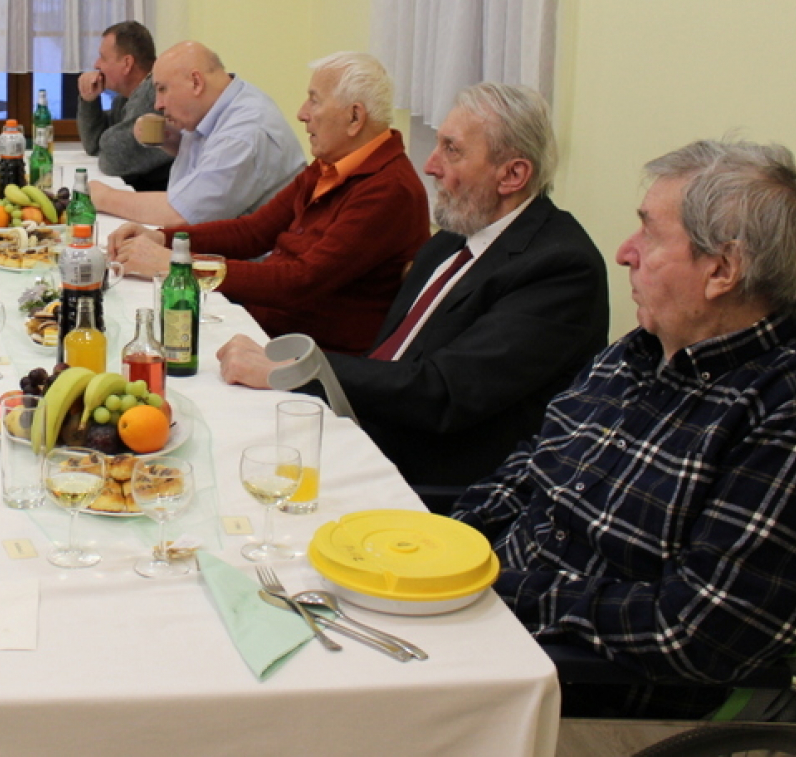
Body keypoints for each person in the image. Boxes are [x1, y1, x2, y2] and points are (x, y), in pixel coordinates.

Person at [452, 140, 796, 717]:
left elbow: (694, 632)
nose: (624, 252)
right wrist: (444, 547)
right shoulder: (640, 350)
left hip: (588, 687)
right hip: (490, 620)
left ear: (722, 270)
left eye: (650, 233)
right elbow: (533, 468)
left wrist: (495, 588)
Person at [218, 83, 609, 487]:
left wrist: (299, 370)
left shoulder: (561, 269)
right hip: (364, 425)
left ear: (512, 175)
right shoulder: (453, 238)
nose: (430, 165)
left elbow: (443, 392)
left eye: (452, 150)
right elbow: (395, 357)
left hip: (431, 478)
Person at [109, 53, 428, 353]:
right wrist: (164, 239)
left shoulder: (389, 190)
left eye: (314, 100)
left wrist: (177, 265)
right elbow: (254, 231)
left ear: (354, 117)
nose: (302, 113)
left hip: (307, 353)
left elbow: (300, 281)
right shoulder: (332, 165)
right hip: (265, 324)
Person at [86, 41, 305, 227]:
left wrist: (105, 197)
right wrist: (173, 140)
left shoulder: (243, 134)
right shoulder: (220, 105)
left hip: (250, 259)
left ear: (196, 82)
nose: (158, 104)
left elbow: (182, 214)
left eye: (162, 89)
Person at [76, 20, 175, 192]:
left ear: (127, 63)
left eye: (103, 58)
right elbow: (94, 145)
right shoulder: (124, 98)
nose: (96, 65)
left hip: (162, 198)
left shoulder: (154, 92)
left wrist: (107, 141)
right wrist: (89, 100)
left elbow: (113, 160)